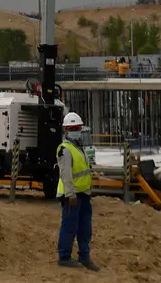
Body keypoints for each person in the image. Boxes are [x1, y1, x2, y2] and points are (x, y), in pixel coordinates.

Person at [57, 111, 99, 271]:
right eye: (72, 128)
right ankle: (64, 256)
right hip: (71, 196)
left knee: (85, 227)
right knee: (69, 226)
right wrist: (70, 194)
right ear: (66, 131)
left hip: (83, 194)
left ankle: (84, 256)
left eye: (78, 127)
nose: (76, 130)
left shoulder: (79, 148)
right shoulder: (65, 149)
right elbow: (65, 174)